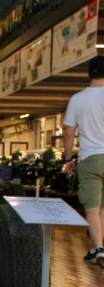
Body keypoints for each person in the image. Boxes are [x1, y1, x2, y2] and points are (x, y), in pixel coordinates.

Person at [64, 54, 104, 266]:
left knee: (92, 207)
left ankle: (98, 248)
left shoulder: (77, 99)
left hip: (90, 158)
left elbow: (70, 134)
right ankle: (94, 248)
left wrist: (68, 158)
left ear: (89, 73)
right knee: (102, 208)